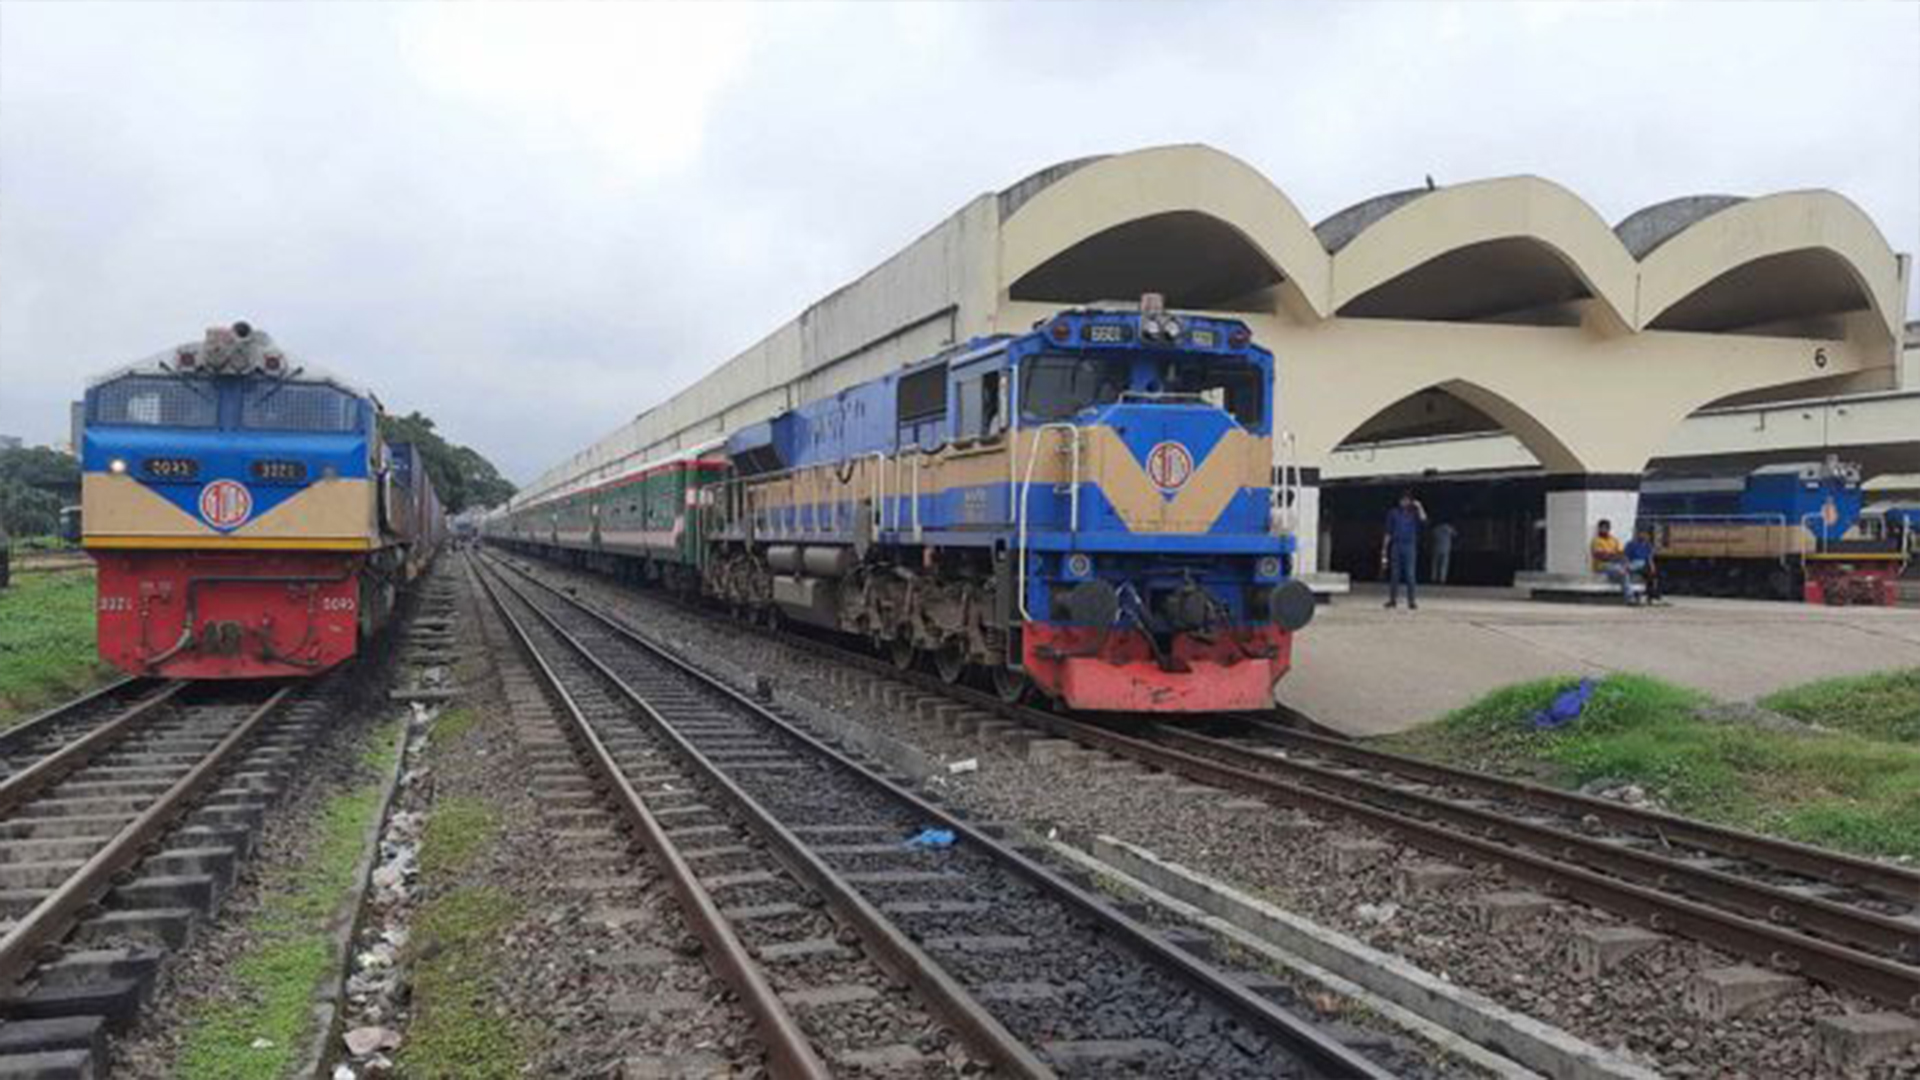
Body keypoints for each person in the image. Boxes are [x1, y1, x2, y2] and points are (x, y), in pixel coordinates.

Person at [1381, 490, 1426, 609]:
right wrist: (1384, 548)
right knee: (1395, 574)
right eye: (1402, 500)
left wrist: (1419, 506)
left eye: (1407, 500)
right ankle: (1392, 600)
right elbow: (1388, 532)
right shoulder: (1393, 513)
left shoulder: (1414, 513)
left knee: (1410, 574)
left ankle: (1411, 601)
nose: (1404, 502)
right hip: (1396, 544)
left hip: (1409, 545)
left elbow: (1423, 519)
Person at [1590, 519, 1638, 604]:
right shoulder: (1596, 541)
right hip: (1601, 565)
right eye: (1602, 528)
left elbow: (1621, 554)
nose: (1604, 530)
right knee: (1622, 571)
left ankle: (1630, 599)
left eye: (1605, 528)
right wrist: (1614, 556)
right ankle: (1630, 598)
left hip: (1614, 565)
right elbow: (1601, 556)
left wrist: (1617, 558)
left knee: (1626, 570)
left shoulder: (1614, 540)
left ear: (1609, 529)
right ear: (1599, 528)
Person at [1625, 527, 1663, 605]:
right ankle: (1650, 596)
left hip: (1644, 564)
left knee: (1655, 574)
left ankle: (1652, 596)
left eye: (1645, 534)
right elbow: (1626, 558)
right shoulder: (1631, 544)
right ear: (1637, 534)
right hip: (1634, 563)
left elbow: (1649, 558)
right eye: (1641, 533)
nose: (1643, 536)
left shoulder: (1647, 545)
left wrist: (1653, 568)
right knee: (1647, 573)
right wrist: (1627, 566)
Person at [1430, 521, 1457, 585]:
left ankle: (1433, 578)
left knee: (1435, 565)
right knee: (1444, 565)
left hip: (1436, 548)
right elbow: (1455, 535)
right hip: (1446, 549)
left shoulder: (1435, 529)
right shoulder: (1449, 528)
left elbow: (1431, 537)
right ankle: (1442, 579)